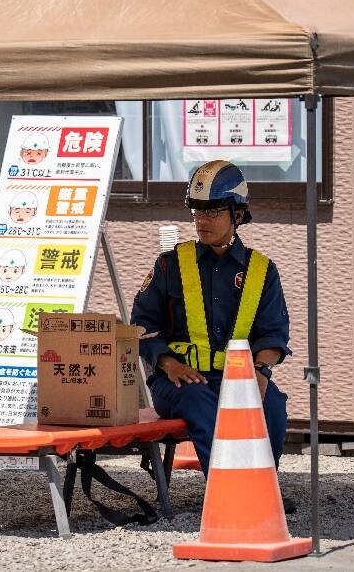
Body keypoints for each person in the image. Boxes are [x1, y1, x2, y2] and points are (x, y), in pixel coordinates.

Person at [131, 160, 294, 510]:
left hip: (239, 376)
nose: (202, 220)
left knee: (274, 406)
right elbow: (142, 325)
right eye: (197, 211)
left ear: (238, 214)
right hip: (175, 382)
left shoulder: (262, 270)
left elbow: (274, 333)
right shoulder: (168, 264)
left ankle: (262, 489)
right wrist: (168, 364)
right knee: (200, 403)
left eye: (214, 211)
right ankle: (229, 493)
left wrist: (262, 374)